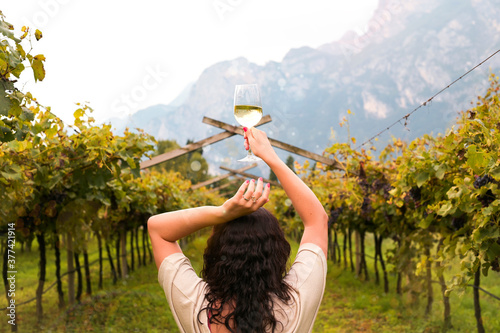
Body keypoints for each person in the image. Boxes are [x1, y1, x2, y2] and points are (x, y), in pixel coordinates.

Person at [148, 127, 328, 333]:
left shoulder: (195, 303)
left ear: (216, 253)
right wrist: (270, 156)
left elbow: (157, 228)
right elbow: (317, 221)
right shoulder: (296, 302)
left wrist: (222, 212)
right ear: (277, 253)